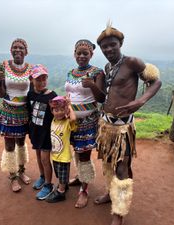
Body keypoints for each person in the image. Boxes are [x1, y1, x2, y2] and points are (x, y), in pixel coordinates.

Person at [94, 22, 162, 225]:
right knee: (107, 164)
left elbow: (156, 81)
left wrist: (140, 101)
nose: (108, 49)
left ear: (120, 43)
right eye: (104, 47)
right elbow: (106, 94)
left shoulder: (132, 62)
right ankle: (110, 192)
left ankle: (119, 212)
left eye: (112, 45)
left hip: (123, 127)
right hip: (105, 126)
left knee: (122, 168)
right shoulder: (108, 67)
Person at [65, 39, 105, 208]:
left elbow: (102, 98)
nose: (81, 56)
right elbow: (69, 94)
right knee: (76, 150)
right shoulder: (71, 72)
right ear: (74, 54)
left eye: (85, 53)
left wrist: (93, 86)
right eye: (78, 53)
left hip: (88, 121)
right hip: (71, 119)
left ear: (91, 55)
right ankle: (81, 177)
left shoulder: (97, 72)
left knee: (85, 155)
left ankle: (85, 189)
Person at [0, 38, 32, 192]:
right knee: (9, 145)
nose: (18, 50)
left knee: (21, 143)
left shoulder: (30, 68)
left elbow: (33, 90)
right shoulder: (4, 66)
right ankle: (13, 176)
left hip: (23, 111)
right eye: (15, 48)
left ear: (26, 51)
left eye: (21, 48)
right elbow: (1, 93)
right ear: (11, 51)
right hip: (8, 111)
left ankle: (22, 171)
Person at [27, 64, 57, 200]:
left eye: (44, 79)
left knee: (45, 159)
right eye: (38, 79)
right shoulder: (30, 94)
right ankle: (42, 176)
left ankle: (48, 185)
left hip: (47, 134)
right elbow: (29, 111)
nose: (42, 82)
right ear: (31, 80)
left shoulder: (52, 96)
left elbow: (58, 114)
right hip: (35, 132)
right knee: (39, 157)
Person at [46, 96, 77, 203]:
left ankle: (61, 192)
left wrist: (69, 105)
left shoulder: (67, 122)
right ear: (52, 111)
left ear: (66, 111)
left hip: (64, 156)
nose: (59, 112)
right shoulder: (53, 121)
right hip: (55, 154)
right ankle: (64, 186)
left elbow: (73, 118)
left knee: (63, 174)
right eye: (56, 110)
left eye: (61, 110)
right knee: (59, 174)